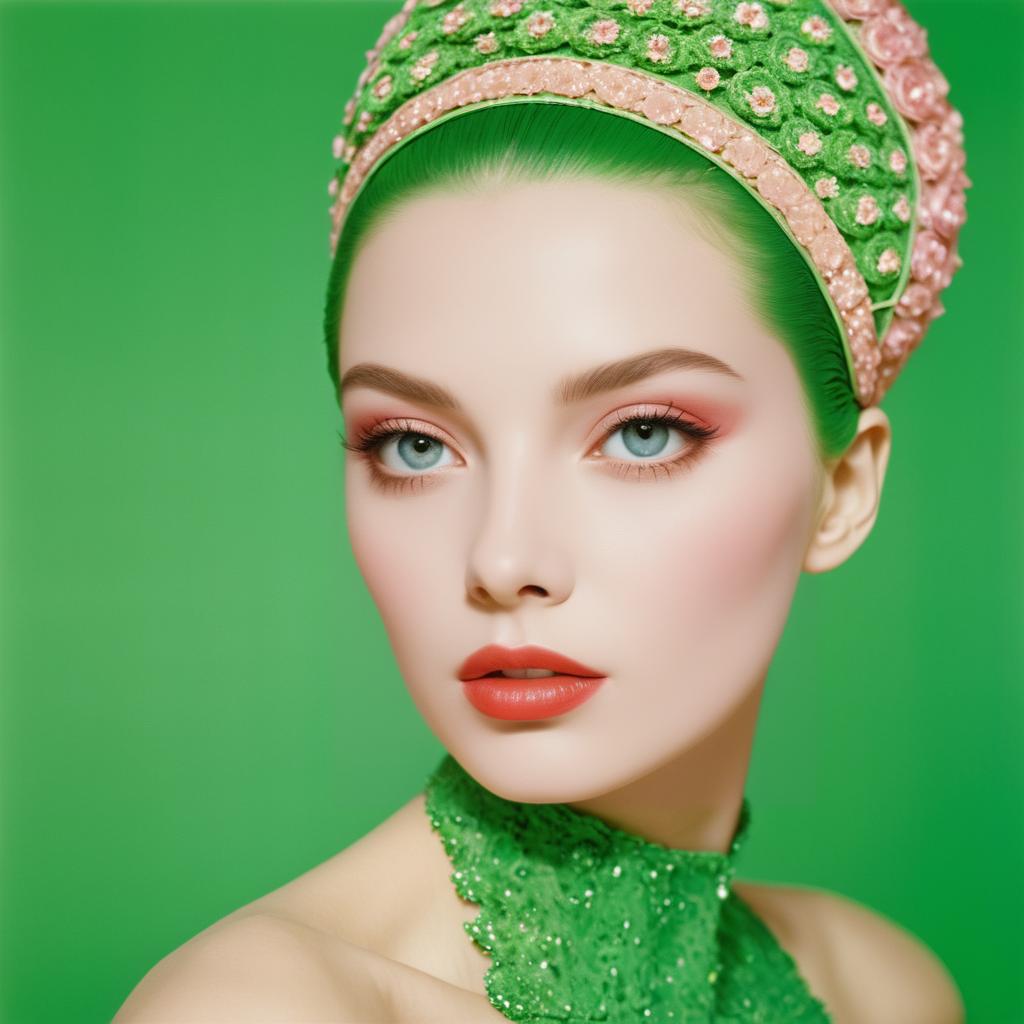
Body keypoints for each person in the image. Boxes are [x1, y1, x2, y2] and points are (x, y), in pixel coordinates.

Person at [114, 0, 970, 1020]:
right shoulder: (264, 1006)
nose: (502, 556)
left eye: (643, 432)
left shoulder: (883, 991)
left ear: (842, 489)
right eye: (414, 444)